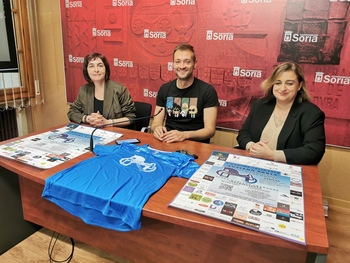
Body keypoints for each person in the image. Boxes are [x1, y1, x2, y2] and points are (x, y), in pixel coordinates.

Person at [237, 62, 325, 165]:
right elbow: (243, 133)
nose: (282, 88)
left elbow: (314, 152)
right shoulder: (260, 105)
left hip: (286, 170)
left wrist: (272, 155)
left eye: (289, 83)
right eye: (278, 83)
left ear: (299, 85)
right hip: (253, 162)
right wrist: (251, 146)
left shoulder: (312, 113)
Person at [151, 44, 219, 143]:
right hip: (168, 142)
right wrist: (157, 128)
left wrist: (184, 135)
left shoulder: (207, 91)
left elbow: (210, 130)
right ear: (173, 64)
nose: (182, 66)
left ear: (195, 64)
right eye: (178, 62)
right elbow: (156, 122)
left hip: (195, 145)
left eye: (187, 62)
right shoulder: (164, 89)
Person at [67, 53, 136, 128]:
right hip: (92, 133)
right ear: (86, 70)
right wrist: (88, 119)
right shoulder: (84, 90)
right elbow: (72, 112)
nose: (96, 70)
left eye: (100, 66)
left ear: (106, 69)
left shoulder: (120, 90)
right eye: (91, 66)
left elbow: (131, 118)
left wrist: (108, 122)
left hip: (115, 133)